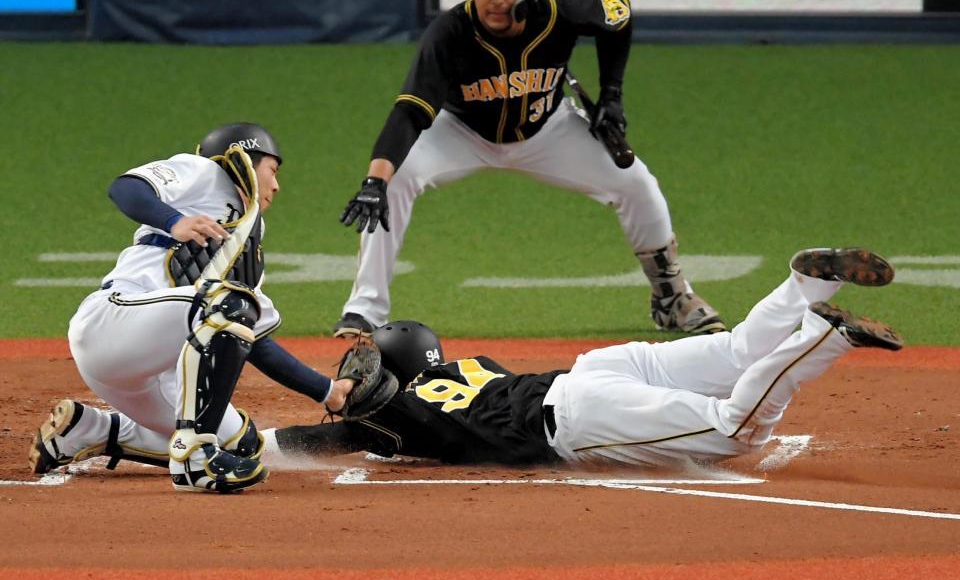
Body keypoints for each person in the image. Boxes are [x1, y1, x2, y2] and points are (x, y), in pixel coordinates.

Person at [334, 0, 723, 338]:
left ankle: (672, 298)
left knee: (637, 184)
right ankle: (365, 310)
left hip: (548, 130)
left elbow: (618, 12)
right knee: (394, 180)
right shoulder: (449, 32)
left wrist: (612, 94)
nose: (496, 0)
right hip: (461, 132)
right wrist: (374, 182)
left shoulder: (561, 7)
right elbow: (410, 112)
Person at [268, 248, 902, 468]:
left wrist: (244, 442)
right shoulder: (474, 366)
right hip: (594, 370)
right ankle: (806, 285)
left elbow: (316, 440)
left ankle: (823, 337)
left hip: (580, 414)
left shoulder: (399, 416)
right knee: (738, 351)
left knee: (735, 429)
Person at [28, 123, 353, 493]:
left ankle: (92, 429)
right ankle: (194, 460)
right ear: (245, 160)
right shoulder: (206, 173)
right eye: (272, 170)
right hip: (113, 323)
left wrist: (328, 392)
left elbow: (253, 341)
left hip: (153, 371)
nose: (276, 186)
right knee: (228, 305)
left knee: (241, 444)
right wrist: (175, 221)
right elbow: (126, 188)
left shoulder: (247, 242)